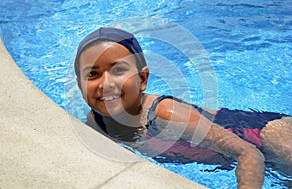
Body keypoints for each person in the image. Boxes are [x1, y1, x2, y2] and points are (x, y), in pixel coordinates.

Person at [74, 27, 292, 188]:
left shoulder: (164, 113)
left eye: (118, 70)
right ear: (79, 84)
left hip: (265, 135)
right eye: (92, 74)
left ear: (142, 80)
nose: (106, 84)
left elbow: (248, 153)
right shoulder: (96, 122)